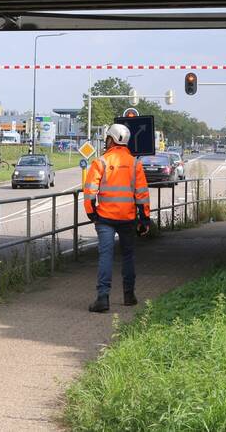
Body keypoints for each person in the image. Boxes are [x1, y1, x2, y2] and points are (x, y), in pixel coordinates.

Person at [82, 124, 153, 312]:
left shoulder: (101, 162)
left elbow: (89, 190)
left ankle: (103, 299)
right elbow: (142, 194)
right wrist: (144, 218)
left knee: (106, 255)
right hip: (128, 218)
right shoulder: (135, 163)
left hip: (105, 218)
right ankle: (129, 296)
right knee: (128, 256)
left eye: (107, 138)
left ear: (111, 139)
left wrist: (91, 212)